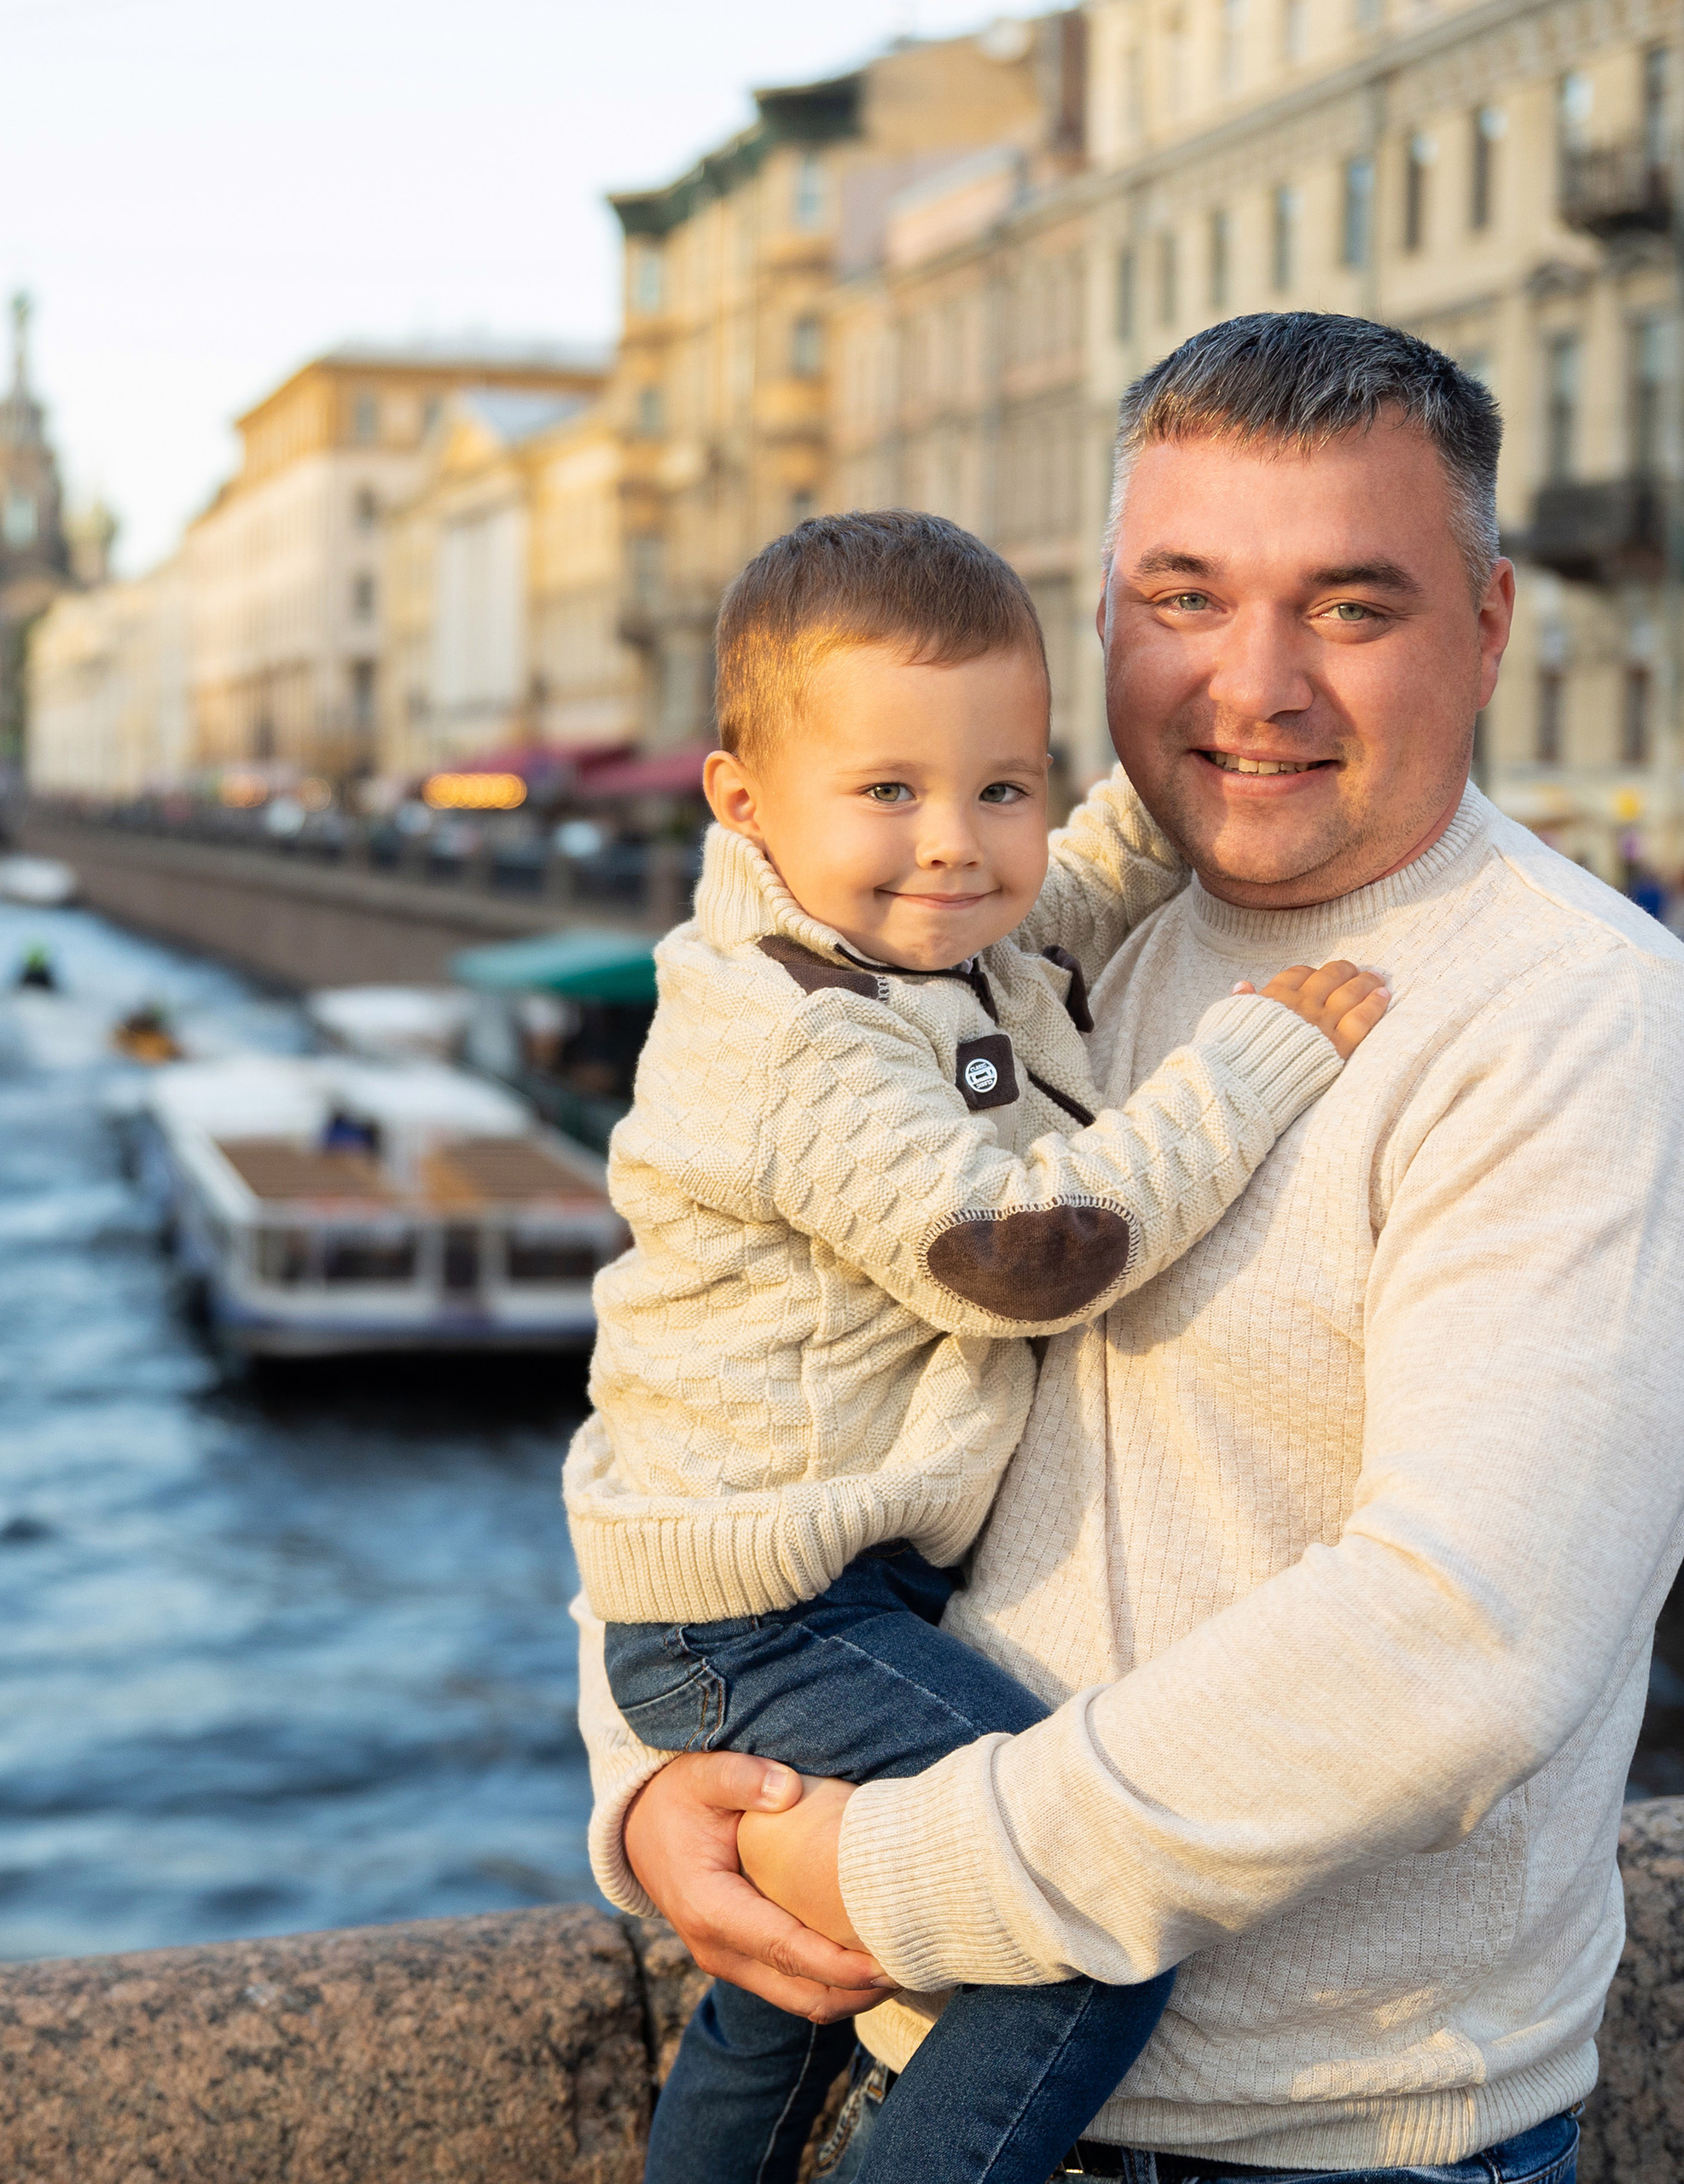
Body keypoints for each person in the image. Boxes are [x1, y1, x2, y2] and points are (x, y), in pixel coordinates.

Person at [578, 313, 1684, 2184]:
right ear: (1098, 615)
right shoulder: (1015, 930)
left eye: (1348, 606)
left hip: (1321, 2144)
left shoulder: (1578, 1016)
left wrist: (879, 1870)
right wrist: (659, 1804)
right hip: (901, 2062)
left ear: (1488, 625)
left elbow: (1454, 1642)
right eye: (1181, 594)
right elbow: (688, 1374)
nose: (1248, 683)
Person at [568, 508, 1385, 2183]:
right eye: (886, 791)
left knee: (783, 1991)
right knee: (1078, 1911)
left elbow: (1073, 883)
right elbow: (1016, 1257)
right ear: (741, 801)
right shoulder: (794, 1037)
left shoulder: (917, 947)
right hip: (762, 1620)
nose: (952, 845)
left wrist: (1197, 756)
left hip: (763, 1596)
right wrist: (1239, 1071)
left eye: (995, 787)